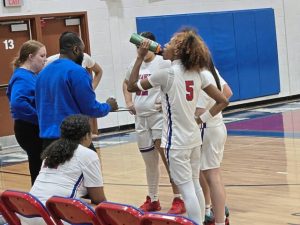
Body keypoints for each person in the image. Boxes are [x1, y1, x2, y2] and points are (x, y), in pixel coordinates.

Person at [127, 28, 229, 224]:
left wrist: (139, 58)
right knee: (196, 187)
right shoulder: (197, 73)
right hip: (193, 137)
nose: (165, 45)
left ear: (179, 51)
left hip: (176, 141)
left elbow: (132, 86)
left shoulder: (166, 74)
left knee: (187, 189)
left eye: (171, 43)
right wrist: (201, 119)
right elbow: (223, 100)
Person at [123, 32, 186, 214]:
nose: (140, 49)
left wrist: (168, 102)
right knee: (149, 162)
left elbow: (178, 84)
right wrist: (128, 102)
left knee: (168, 160)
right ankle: (153, 198)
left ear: (152, 44)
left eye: (143, 46)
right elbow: (126, 84)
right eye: (137, 46)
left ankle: (178, 198)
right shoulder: (134, 64)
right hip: (141, 119)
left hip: (158, 118)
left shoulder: (164, 63)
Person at [35, 31, 118, 149]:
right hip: (73, 138)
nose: (83, 55)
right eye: (82, 50)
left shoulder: (42, 73)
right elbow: (91, 109)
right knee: (91, 165)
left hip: (48, 141)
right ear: (75, 49)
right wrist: (108, 106)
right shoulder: (77, 71)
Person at [25, 114, 105, 225]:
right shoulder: (88, 154)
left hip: (27, 213)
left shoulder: (50, 152)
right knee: (104, 214)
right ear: (86, 136)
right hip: (51, 217)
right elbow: (98, 199)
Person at [196, 59, 233, 225]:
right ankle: (219, 209)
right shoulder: (210, 69)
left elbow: (198, 112)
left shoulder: (201, 75)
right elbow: (228, 92)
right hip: (216, 126)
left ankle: (216, 216)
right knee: (213, 175)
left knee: (211, 176)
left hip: (207, 128)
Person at [6, 40, 47, 185]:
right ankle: (40, 200)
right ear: (30, 56)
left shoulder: (31, 75)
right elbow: (18, 103)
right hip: (29, 129)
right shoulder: (22, 76)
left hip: (31, 127)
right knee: (38, 167)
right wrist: (40, 118)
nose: (45, 60)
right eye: (42, 56)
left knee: (40, 166)